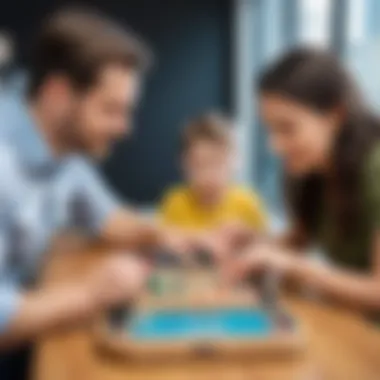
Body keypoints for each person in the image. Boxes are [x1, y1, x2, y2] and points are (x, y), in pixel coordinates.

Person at [0, 7, 193, 374]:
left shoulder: (64, 149)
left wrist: (178, 237)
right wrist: (92, 294)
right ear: (58, 95)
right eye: (111, 110)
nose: (125, 128)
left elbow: (108, 217)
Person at [227, 47, 380, 313]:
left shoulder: (375, 167)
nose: (275, 146)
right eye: (271, 129)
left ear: (335, 115)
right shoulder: (314, 170)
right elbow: (297, 240)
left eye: (287, 128)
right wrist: (254, 242)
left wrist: (293, 266)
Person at [160, 113, 267, 258]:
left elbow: (265, 247)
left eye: (217, 163)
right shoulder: (174, 202)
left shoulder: (247, 202)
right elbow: (163, 246)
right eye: (199, 165)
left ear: (233, 161)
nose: (209, 174)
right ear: (184, 163)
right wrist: (197, 240)